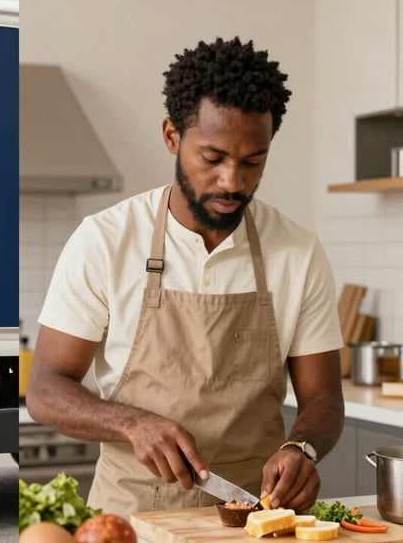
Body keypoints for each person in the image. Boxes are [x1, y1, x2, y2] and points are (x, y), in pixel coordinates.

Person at [25, 37, 344, 518]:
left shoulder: (298, 251)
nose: (233, 182)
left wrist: (303, 447)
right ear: (172, 136)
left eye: (253, 161)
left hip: (255, 516)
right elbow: (46, 388)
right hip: (130, 514)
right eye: (213, 158)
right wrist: (132, 423)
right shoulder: (105, 240)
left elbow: (323, 396)